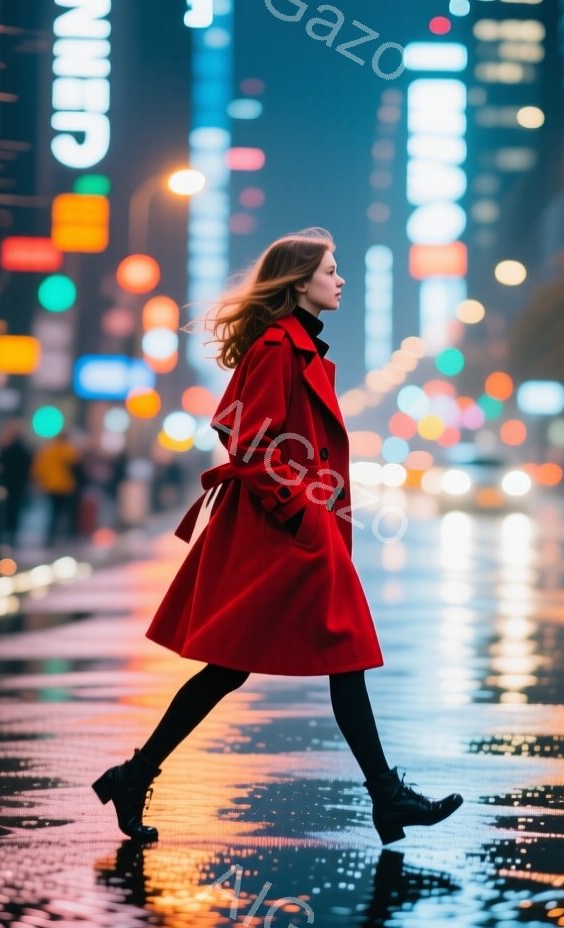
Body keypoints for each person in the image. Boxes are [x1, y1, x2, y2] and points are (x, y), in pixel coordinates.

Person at [91, 227, 462, 844]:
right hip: (283, 531)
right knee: (332, 653)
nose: (339, 280)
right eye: (330, 270)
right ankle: (386, 797)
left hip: (292, 527)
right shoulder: (277, 346)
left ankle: (136, 775)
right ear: (299, 283)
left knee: (243, 666)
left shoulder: (298, 347)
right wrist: (299, 509)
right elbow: (241, 433)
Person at [33, 431, 83, 546]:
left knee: (52, 512)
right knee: (63, 513)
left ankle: (50, 536)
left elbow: (39, 467)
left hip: (51, 485)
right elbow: (76, 463)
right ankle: (63, 536)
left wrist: (39, 481)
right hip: (65, 486)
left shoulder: (48, 449)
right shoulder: (68, 450)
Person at [0, 422, 33, 546]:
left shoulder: (8, 449)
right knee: (15, 510)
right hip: (18, 484)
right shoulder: (23, 450)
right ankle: (12, 533)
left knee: (8, 509)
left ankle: (7, 532)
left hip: (9, 484)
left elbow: (2, 466)